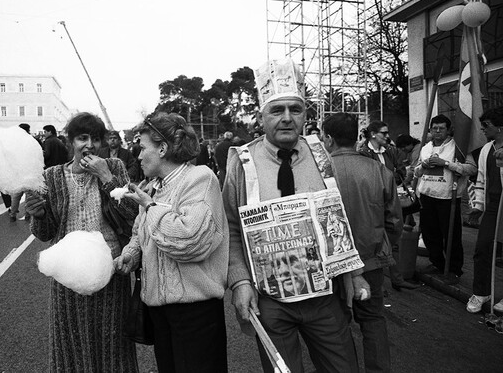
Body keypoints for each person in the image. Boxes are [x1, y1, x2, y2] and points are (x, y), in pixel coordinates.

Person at [223, 58, 360, 373]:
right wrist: (240, 281)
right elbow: (230, 227)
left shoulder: (323, 157)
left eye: (294, 110)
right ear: (262, 116)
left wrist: (354, 273)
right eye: (276, 110)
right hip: (270, 301)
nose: (286, 118)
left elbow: (342, 220)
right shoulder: (241, 163)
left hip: (325, 298)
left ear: (305, 115)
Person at [115, 112, 229, 373]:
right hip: (159, 310)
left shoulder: (199, 178)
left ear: (163, 148)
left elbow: (190, 239)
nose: (139, 156)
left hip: (194, 312)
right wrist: (131, 254)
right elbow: (141, 233)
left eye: (143, 148)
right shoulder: (154, 185)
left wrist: (149, 206)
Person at [25, 112, 139, 372]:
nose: (89, 145)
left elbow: (133, 215)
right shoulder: (53, 176)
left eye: (95, 139)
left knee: (112, 342)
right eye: (82, 138)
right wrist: (39, 215)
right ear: (70, 141)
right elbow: (45, 233)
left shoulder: (115, 167)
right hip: (66, 274)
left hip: (112, 270)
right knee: (71, 343)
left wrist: (107, 177)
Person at [323, 112, 403, 372]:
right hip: (371, 261)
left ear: (328, 138)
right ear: (357, 136)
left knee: (336, 325)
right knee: (373, 320)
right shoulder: (379, 170)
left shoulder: (317, 173)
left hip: (330, 264)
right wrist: (383, 247)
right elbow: (395, 221)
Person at [415, 114, 477, 279]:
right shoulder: (425, 148)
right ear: (430, 130)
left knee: (451, 236)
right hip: (427, 195)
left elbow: (472, 169)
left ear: (449, 130)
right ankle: (438, 264)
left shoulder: (459, 147)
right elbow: (416, 172)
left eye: (441, 128)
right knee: (429, 234)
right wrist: (423, 165)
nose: (437, 131)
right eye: (434, 128)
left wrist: (447, 164)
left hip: (448, 197)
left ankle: (454, 269)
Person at [359, 121, 418, 291]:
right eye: (383, 133)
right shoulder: (363, 153)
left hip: (390, 201)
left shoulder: (391, 151)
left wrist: (394, 178)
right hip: (371, 203)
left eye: (387, 132)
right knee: (373, 242)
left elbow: (401, 172)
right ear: (372, 134)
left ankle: (396, 278)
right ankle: (375, 283)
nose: (387, 136)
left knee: (394, 237)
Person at [466, 107, 503, 313]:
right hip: (492, 207)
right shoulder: (486, 150)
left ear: (500, 127)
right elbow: (480, 179)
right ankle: (481, 292)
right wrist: (478, 206)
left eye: (486, 125)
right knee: (482, 248)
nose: (482, 129)